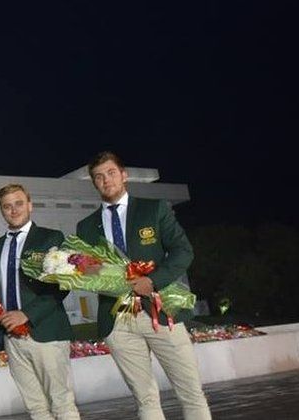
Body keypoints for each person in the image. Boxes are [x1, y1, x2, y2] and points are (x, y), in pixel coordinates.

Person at [76, 151, 211, 420]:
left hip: (161, 314)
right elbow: (89, 273)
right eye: (99, 177)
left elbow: (183, 251)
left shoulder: (154, 209)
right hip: (118, 322)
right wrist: (82, 272)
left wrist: (153, 281)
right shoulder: (86, 227)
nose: (106, 180)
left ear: (123, 175)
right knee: (145, 400)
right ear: (94, 183)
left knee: (191, 393)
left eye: (111, 173)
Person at [0, 183, 80, 420]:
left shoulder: (51, 238)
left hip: (45, 331)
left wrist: (26, 313)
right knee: (36, 408)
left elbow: (62, 286)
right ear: (1, 211)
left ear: (30, 205)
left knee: (62, 404)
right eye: (7, 206)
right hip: (11, 337)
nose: (14, 210)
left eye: (18, 204)